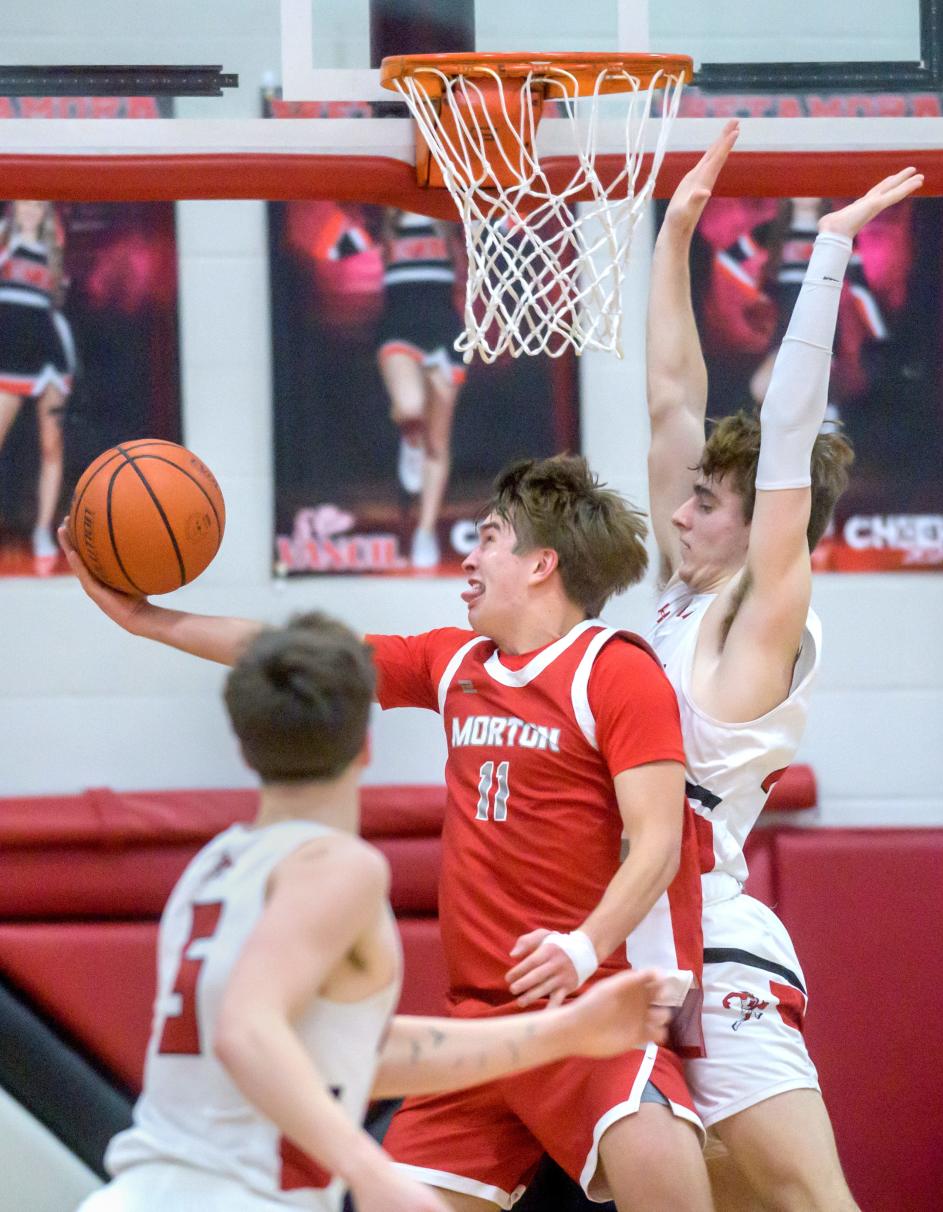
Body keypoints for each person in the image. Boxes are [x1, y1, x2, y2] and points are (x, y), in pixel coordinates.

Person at [60, 453, 713, 1212]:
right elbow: (291, 656)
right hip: (479, 1024)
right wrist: (145, 621)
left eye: (489, 539)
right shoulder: (452, 662)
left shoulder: (614, 670)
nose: (467, 558)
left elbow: (659, 842)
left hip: (602, 1001)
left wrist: (583, 945)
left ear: (543, 563)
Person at [644, 121, 923, 1210]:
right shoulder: (676, 589)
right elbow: (672, 397)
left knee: (811, 1205)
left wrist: (833, 251)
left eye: (707, 499)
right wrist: (670, 235)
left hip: (713, 944)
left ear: (761, 519)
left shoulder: (761, 613)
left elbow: (788, 433)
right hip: (634, 944)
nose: (676, 509)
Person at [376, 209, 467, 570]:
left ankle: (425, 529)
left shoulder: (450, 221)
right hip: (400, 325)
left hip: (445, 330)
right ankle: (409, 440)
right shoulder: (386, 220)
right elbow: (338, 246)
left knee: (438, 441)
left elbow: (467, 271)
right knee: (410, 406)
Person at [0, 199, 74, 572]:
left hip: (49, 353)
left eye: (38, 204)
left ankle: (43, 530)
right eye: (25, 202)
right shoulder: (2, 241)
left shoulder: (54, 249)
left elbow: (57, 302)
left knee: (52, 445)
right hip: (9, 352)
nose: (31, 209)